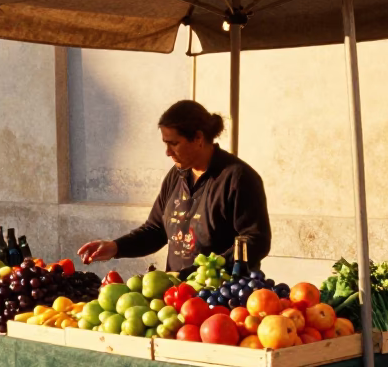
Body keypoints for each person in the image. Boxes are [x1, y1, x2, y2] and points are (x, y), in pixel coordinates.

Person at [78, 100, 271, 274]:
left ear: (198, 138)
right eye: (165, 143)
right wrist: (116, 247)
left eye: (174, 143)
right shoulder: (176, 175)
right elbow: (155, 230)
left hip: (222, 299)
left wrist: (204, 270)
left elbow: (256, 241)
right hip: (177, 295)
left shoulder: (238, 178)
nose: (167, 152)